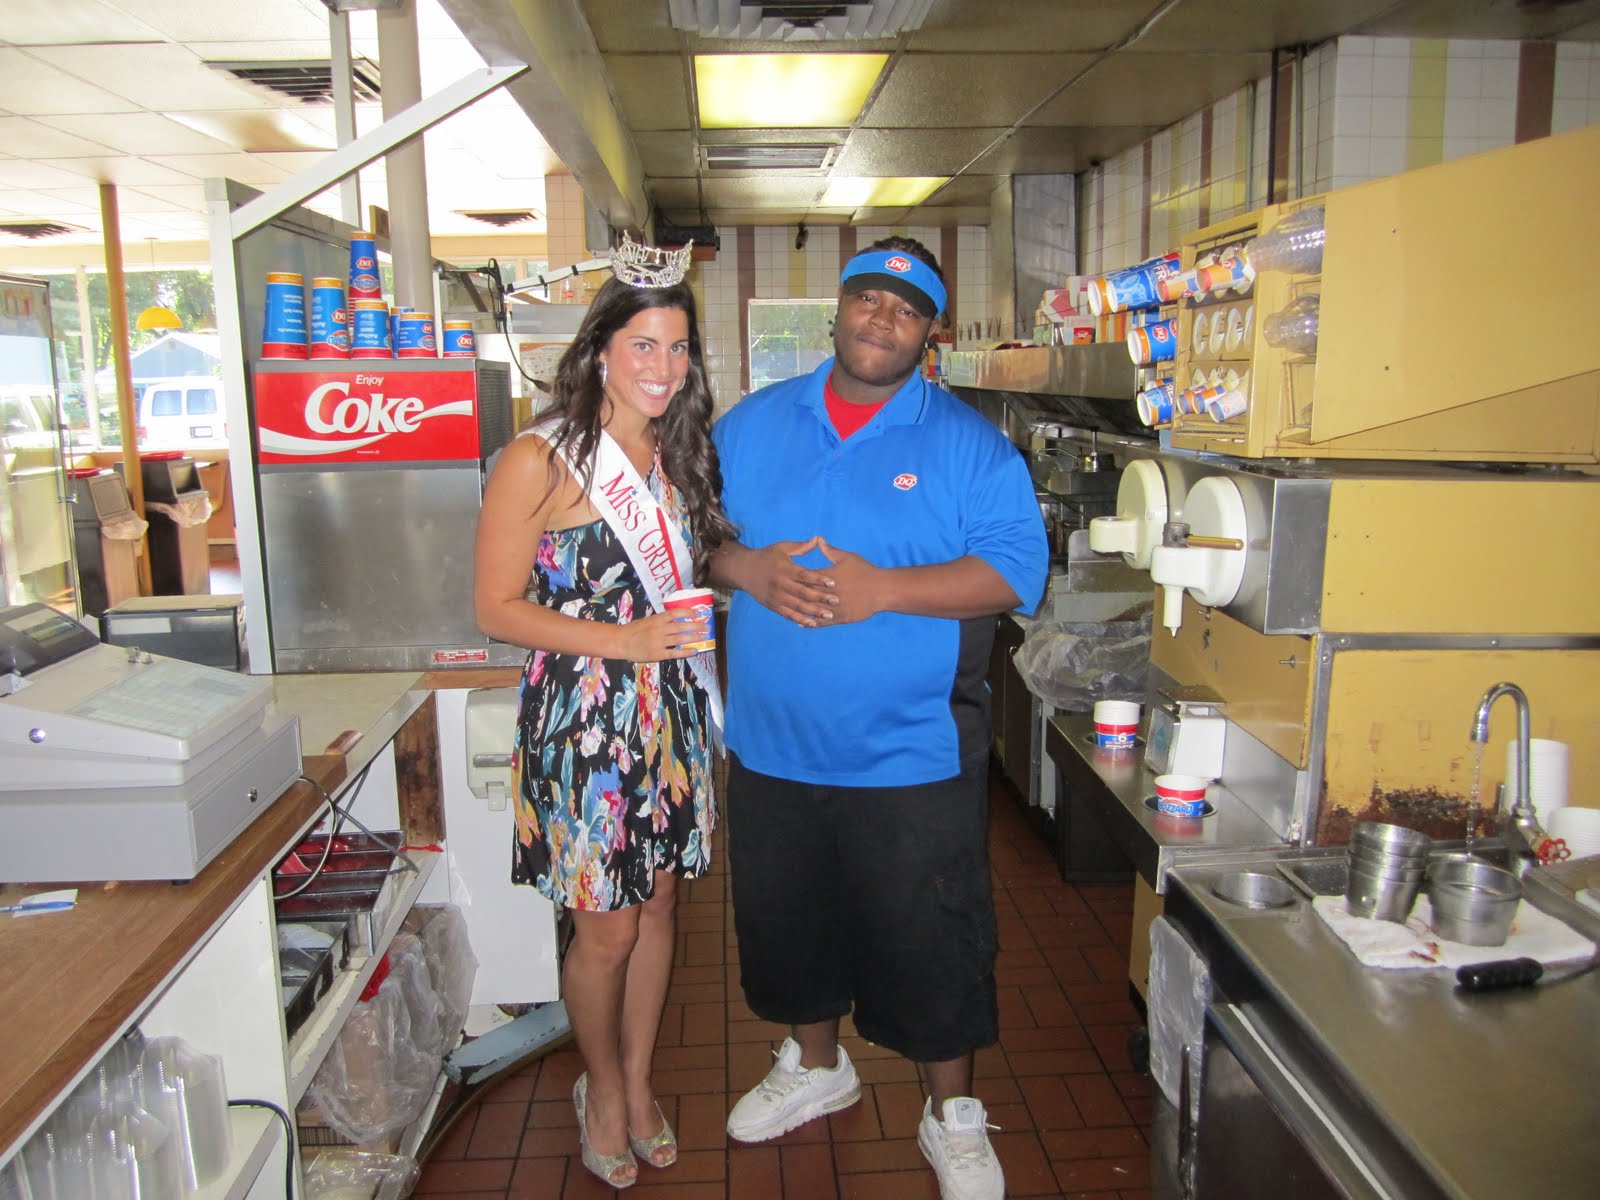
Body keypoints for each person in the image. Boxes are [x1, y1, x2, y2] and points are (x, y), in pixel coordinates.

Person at [711, 236, 1048, 1200]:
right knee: (787, 925)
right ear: (839, 310)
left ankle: (953, 1116)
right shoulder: (753, 425)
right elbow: (694, 532)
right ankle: (817, 1070)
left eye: (905, 310)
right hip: (774, 746)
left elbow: (1016, 571)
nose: (880, 319)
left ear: (929, 334)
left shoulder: (970, 447)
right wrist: (751, 570)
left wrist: (883, 590)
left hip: (913, 752)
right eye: (867, 299)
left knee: (934, 938)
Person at [473, 240, 735, 1190]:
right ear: (600, 351)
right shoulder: (539, 459)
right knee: (608, 930)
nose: (662, 369)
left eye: (677, 349)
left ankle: (636, 1080)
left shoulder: (679, 452)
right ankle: (599, 1084)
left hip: (666, 714)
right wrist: (622, 641)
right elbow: (494, 606)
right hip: (582, 718)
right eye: (642, 346)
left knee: (660, 903)